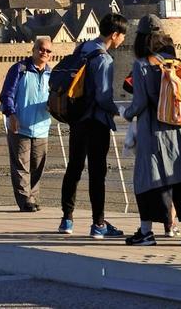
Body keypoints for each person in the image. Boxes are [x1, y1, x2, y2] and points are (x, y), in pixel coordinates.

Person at [123, 16, 181, 247]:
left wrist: (126, 114)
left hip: (154, 131)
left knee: (149, 180)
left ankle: (146, 232)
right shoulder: (175, 61)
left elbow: (139, 103)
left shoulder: (142, 65)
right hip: (180, 129)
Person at [59, 13, 129, 238]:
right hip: (96, 121)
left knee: (74, 168)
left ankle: (67, 220)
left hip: (76, 118)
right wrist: (117, 110)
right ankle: (98, 224)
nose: (122, 41)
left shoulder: (82, 49)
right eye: (122, 37)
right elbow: (103, 96)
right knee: (97, 173)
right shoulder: (104, 59)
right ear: (115, 34)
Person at [0, 36, 54, 212]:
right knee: (20, 166)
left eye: (48, 51)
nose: (44, 52)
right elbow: (7, 94)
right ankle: (25, 201)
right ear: (33, 49)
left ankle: (33, 198)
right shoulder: (19, 69)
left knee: (38, 166)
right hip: (19, 126)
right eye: (41, 48)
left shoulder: (51, 74)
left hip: (42, 127)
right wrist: (11, 114)